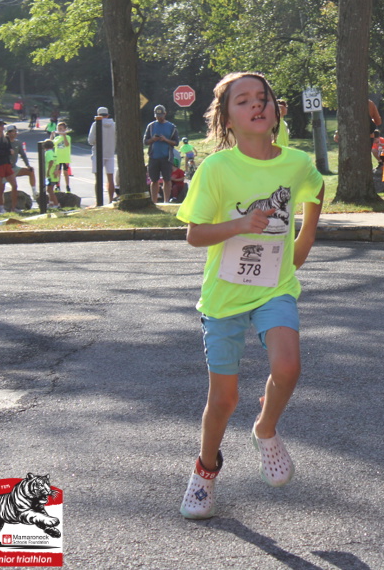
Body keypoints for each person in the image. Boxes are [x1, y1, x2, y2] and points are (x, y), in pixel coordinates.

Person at [176, 71, 324, 520]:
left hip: (274, 288)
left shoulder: (296, 163)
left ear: (276, 110)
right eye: (243, 101)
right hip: (223, 298)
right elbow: (195, 234)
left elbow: (315, 188)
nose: (257, 105)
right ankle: (205, 470)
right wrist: (240, 224)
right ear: (226, 119)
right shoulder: (217, 169)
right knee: (223, 400)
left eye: (263, 98)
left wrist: (304, 240)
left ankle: (265, 428)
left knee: (288, 366)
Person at [144, 104, 179, 203]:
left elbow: (176, 142)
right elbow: (145, 141)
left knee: (167, 179)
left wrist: (165, 140)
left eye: (161, 115)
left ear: (165, 114)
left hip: (166, 157)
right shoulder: (151, 126)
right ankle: (154, 201)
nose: (159, 117)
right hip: (153, 157)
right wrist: (153, 139)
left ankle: (166, 201)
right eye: (157, 115)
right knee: (154, 180)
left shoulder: (172, 127)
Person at [88, 106, 118, 201]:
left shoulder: (95, 124)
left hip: (98, 153)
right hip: (110, 153)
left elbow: (91, 140)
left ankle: (99, 200)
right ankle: (110, 199)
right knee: (110, 179)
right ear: (107, 115)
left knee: (98, 179)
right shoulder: (114, 125)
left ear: (98, 115)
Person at [6, 124, 37, 203]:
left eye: (16, 131)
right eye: (13, 132)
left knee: (31, 171)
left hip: (14, 167)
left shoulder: (18, 143)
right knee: (4, 187)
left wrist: (28, 165)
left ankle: (34, 192)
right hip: (5, 169)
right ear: (8, 133)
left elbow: (23, 155)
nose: (15, 133)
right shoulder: (4, 142)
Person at [53, 122, 73, 193]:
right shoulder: (56, 138)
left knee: (65, 172)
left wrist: (64, 136)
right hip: (57, 158)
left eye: (61, 129)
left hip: (65, 158)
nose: (60, 130)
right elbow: (51, 143)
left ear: (65, 129)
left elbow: (67, 144)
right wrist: (52, 135)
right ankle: (57, 186)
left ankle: (67, 186)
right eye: (58, 129)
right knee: (58, 172)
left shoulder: (68, 137)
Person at [41, 139, 60, 210]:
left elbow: (51, 161)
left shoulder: (48, 153)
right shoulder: (53, 153)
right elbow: (57, 164)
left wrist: (48, 171)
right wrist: (56, 170)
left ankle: (56, 204)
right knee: (49, 189)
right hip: (54, 174)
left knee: (50, 190)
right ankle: (51, 203)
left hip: (50, 175)